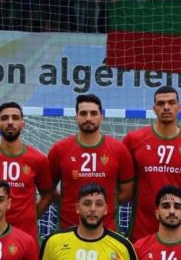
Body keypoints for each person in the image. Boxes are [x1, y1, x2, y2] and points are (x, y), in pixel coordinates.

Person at [122, 87, 181, 241]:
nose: (166, 107)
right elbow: (121, 180)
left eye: (171, 103)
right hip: (142, 228)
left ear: (178, 107)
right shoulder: (133, 140)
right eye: (161, 103)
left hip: (180, 229)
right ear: (154, 109)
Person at [0, 101, 56, 242]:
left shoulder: (38, 159)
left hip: (27, 237)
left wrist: (31, 217)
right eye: (4, 118)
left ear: (22, 124)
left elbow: (48, 194)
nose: (10, 122)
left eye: (15, 118)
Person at [48, 94, 134, 232]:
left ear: (101, 117)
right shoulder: (59, 149)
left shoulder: (119, 150)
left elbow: (127, 192)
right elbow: (48, 189)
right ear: (76, 117)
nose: (88, 118)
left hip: (107, 230)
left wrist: (103, 205)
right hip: (68, 229)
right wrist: (67, 202)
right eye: (83, 113)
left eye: (93, 113)